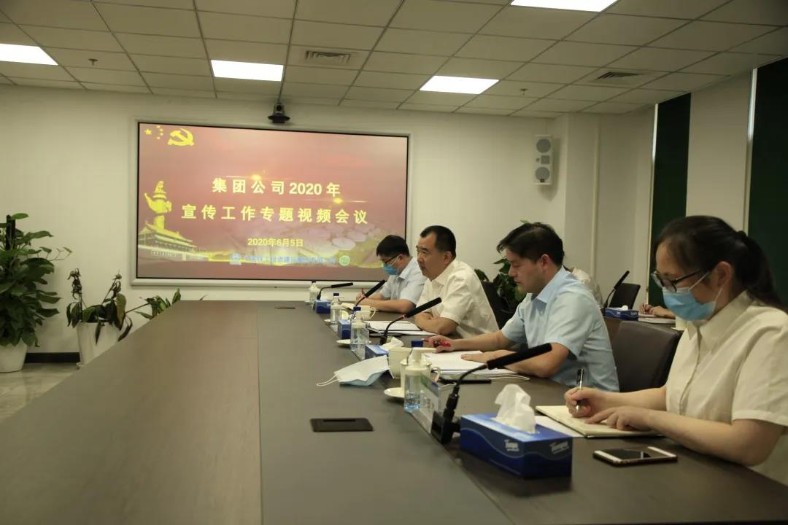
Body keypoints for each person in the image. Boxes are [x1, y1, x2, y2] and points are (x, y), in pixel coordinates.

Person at [565, 216, 787, 485]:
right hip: (694, 472)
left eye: (673, 281)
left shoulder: (771, 333)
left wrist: (651, 418)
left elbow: (747, 444)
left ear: (721, 275)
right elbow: (671, 395)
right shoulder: (701, 323)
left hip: (751, 490)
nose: (667, 293)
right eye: (662, 281)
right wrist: (606, 400)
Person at [428, 222, 619, 391]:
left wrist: (498, 357)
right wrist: (455, 344)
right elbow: (500, 339)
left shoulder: (573, 298)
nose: (511, 273)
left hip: (591, 405)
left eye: (516, 265)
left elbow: (546, 364)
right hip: (553, 392)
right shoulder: (535, 295)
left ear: (543, 262)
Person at [412, 225, 498, 337]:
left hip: (479, 346)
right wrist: (430, 322)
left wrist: (427, 322)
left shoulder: (461, 278)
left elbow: (443, 327)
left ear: (446, 257)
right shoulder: (432, 275)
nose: (419, 258)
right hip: (451, 342)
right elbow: (419, 312)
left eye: (424, 252)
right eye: (418, 251)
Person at [355, 235, 426, 314]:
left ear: (400, 258)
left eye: (386, 261)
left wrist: (368, 302)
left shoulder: (419, 271)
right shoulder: (397, 270)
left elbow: (405, 306)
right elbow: (383, 296)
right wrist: (364, 299)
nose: (384, 266)